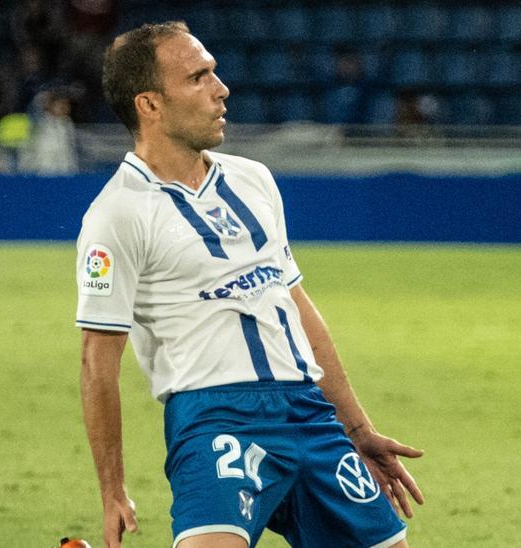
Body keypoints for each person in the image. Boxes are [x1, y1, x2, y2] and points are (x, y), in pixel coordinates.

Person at [77, 22, 423, 548]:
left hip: (309, 414)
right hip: (216, 418)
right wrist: (113, 490)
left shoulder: (252, 179)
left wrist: (357, 429)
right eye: (198, 77)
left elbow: (297, 306)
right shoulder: (116, 214)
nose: (222, 89)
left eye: (214, 71)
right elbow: (97, 361)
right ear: (149, 104)